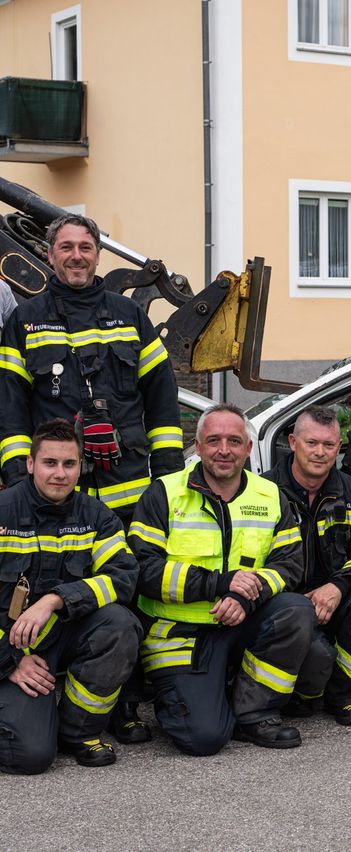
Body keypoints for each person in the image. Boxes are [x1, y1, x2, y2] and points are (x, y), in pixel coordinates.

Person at [0, 213, 184, 742]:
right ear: (50, 255)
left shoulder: (130, 315)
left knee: (125, 592)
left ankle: (121, 702)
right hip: (59, 493)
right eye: (66, 247)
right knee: (50, 584)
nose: (76, 256)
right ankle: (42, 686)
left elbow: (162, 397)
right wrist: (18, 481)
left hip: (129, 490)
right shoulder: (26, 320)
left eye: (85, 247)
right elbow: (11, 407)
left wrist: (168, 479)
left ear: (97, 254)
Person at [128, 404, 318, 754]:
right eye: (214, 440)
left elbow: (290, 564)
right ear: (198, 447)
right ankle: (201, 696)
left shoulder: (270, 495)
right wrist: (219, 584)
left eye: (234, 441)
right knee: (202, 739)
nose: (224, 450)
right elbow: (143, 569)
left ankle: (255, 713)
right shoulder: (164, 494)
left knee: (295, 610)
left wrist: (245, 597)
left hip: (242, 619)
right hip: (178, 635)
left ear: (248, 448)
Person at [0, 419, 141, 774]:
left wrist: (55, 599)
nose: (60, 474)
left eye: (69, 464)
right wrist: (11, 662)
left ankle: (77, 731)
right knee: (30, 756)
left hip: (62, 634)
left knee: (120, 624)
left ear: (81, 466)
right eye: (50, 463)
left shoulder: (96, 516)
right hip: (9, 645)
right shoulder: (4, 511)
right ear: (30, 464)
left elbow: (123, 578)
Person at [263, 406, 351, 726]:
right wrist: (294, 600)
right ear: (293, 442)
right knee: (317, 657)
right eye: (312, 443)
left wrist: (338, 587)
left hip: (336, 596)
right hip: (285, 601)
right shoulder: (263, 492)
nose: (320, 452)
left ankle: (345, 694)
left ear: (339, 448)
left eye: (329, 445)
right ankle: (303, 694)